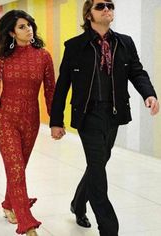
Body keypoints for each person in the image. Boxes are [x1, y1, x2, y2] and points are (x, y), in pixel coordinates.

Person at [50, 0, 159, 236]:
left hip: (113, 114)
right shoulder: (75, 46)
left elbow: (137, 71)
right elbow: (62, 86)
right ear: (89, 14)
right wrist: (56, 121)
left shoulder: (124, 43)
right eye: (101, 6)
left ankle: (78, 204)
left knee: (96, 164)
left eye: (110, 5)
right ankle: (109, 228)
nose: (107, 9)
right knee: (98, 170)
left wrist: (149, 94)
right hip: (87, 115)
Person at [0, 10, 55, 236]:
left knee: (18, 168)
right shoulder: (2, 59)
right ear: (11, 32)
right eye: (22, 26)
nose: (28, 29)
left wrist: (56, 121)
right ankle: (27, 224)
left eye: (29, 25)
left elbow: (50, 92)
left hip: (31, 121)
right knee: (16, 169)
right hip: (5, 120)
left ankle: (9, 205)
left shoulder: (43, 56)